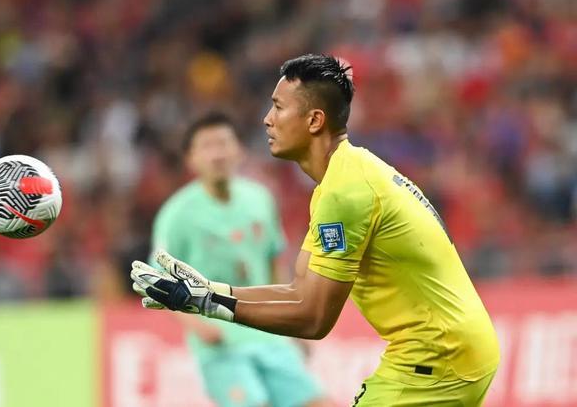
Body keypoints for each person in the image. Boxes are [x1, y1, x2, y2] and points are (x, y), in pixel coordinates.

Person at [132, 54, 500, 406]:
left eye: (278, 107)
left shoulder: (345, 192)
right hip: (456, 349)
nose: (266, 119)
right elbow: (299, 290)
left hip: (436, 357)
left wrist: (208, 303)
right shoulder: (343, 177)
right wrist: (211, 290)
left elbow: (313, 318)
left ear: (314, 121)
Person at [150, 111, 328, 407]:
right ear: (191, 159)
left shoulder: (260, 199)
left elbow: (273, 262)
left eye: (223, 143)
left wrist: (291, 324)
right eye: (207, 146)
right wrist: (199, 326)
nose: (217, 154)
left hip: (268, 334)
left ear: (239, 150)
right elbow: (157, 281)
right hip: (223, 342)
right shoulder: (177, 214)